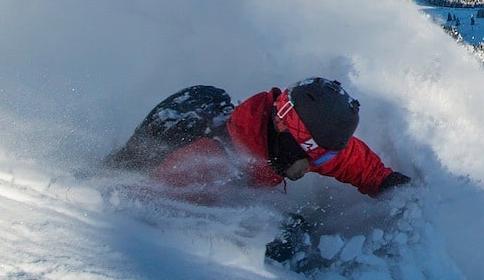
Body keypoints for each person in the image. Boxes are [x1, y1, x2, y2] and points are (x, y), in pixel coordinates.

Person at [117, 78, 411, 201]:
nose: (311, 167)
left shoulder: (288, 144)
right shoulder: (206, 164)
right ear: (284, 130)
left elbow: (345, 159)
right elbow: (156, 217)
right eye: (309, 158)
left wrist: (383, 181)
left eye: (318, 159)